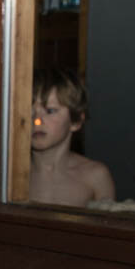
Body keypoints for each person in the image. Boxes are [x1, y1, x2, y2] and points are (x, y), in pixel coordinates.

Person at [29, 66, 114, 208]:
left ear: (76, 121)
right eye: (28, 111)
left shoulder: (96, 177)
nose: (36, 121)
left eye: (50, 111)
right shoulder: (9, 176)